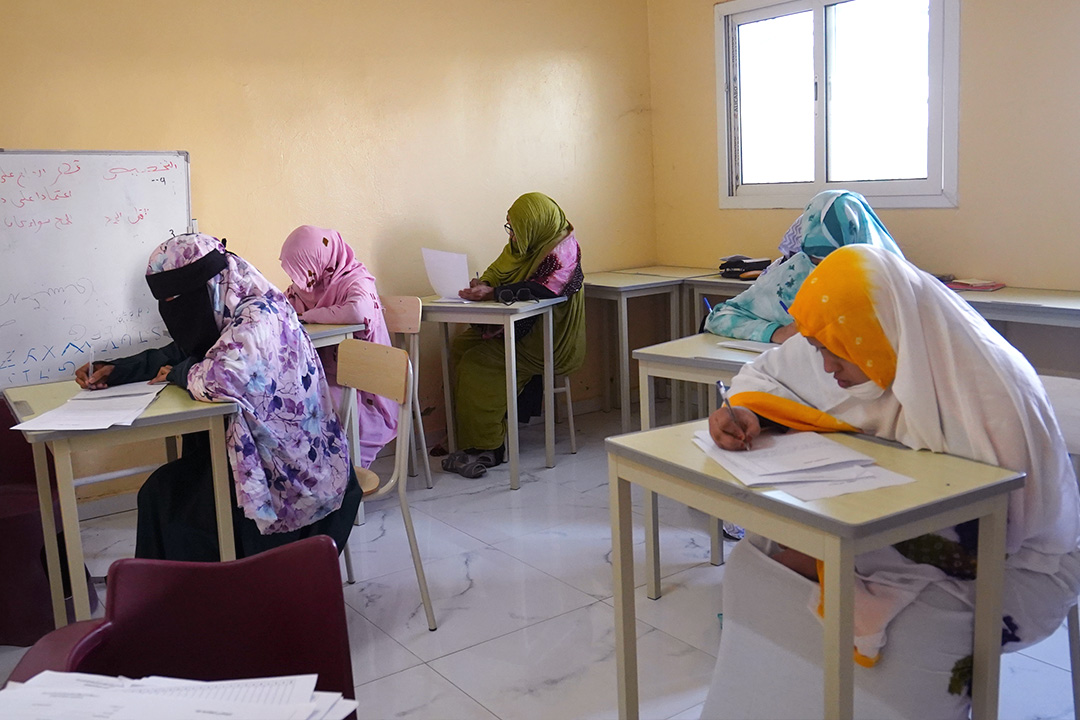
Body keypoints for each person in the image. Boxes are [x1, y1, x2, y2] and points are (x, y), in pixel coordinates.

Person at [702, 244, 1080, 719]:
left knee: (907, 625)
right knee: (753, 561)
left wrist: (841, 547)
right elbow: (766, 376)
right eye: (819, 349)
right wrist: (747, 412)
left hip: (1007, 560)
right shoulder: (846, 335)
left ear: (878, 333)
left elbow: (1004, 529)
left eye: (835, 352)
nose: (826, 367)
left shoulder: (986, 394)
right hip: (880, 526)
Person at [75, 233, 361, 562]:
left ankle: (200, 588)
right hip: (257, 455)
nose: (170, 310)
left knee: (168, 501)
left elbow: (220, 377)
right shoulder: (225, 306)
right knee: (162, 492)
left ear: (205, 286)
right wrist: (118, 369)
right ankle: (163, 590)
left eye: (175, 299)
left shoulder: (259, 315)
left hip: (291, 473)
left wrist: (178, 373)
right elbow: (186, 350)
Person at [441, 192, 585, 478]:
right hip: (518, 327)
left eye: (516, 228)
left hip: (547, 339)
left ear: (534, 224)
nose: (513, 236)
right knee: (460, 346)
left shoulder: (563, 251)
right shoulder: (524, 245)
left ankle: (488, 446)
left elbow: (545, 290)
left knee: (478, 362)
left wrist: (493, 293)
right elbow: (499, 269)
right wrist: (483, 283)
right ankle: (471, 430)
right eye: (510, 227)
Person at [703, 190, 903, 344]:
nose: (823, 271)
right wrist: (777, 332)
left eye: (836, 259)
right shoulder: (796, 270)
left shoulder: (891, 278)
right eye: (815, 261)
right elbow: (719, 317)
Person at [279, 224, 398, 468]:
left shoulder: (354, 280)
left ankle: (337, 477)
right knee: (284, 401)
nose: (296, 279)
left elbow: (358, 311)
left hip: (367, 384)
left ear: (316, 260)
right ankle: (309, 477)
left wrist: (311, 316)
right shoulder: (307, 287)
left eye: (300, 270)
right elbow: (281, 309)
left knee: (314, 408)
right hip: (327, 376)